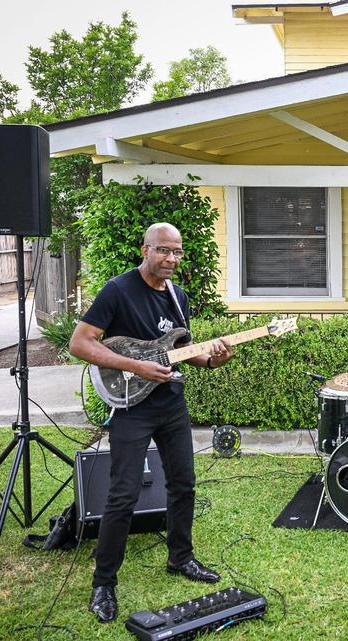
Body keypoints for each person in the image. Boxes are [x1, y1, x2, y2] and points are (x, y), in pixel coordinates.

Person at [69, 223, 234, 623]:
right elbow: (80, 343)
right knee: (122, 495)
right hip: (132, 406)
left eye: (177, 252)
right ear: (145, 249)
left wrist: (212, 359)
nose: (172, 259)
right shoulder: (117, 290)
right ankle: (104, 583)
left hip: (171, 404)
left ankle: (181, 558)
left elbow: (179, 352)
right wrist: (134, 364)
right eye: (164, 251)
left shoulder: (180, 298)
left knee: (184, 484)